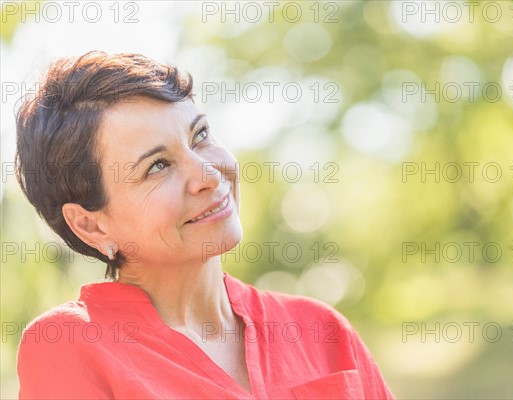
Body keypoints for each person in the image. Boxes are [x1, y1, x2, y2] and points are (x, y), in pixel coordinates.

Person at [15, 51, 395, 399]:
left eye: (200, 136)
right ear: (91, 226)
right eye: (157, 166)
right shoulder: (69, 345)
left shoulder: (321, 328)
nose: (209, 174)